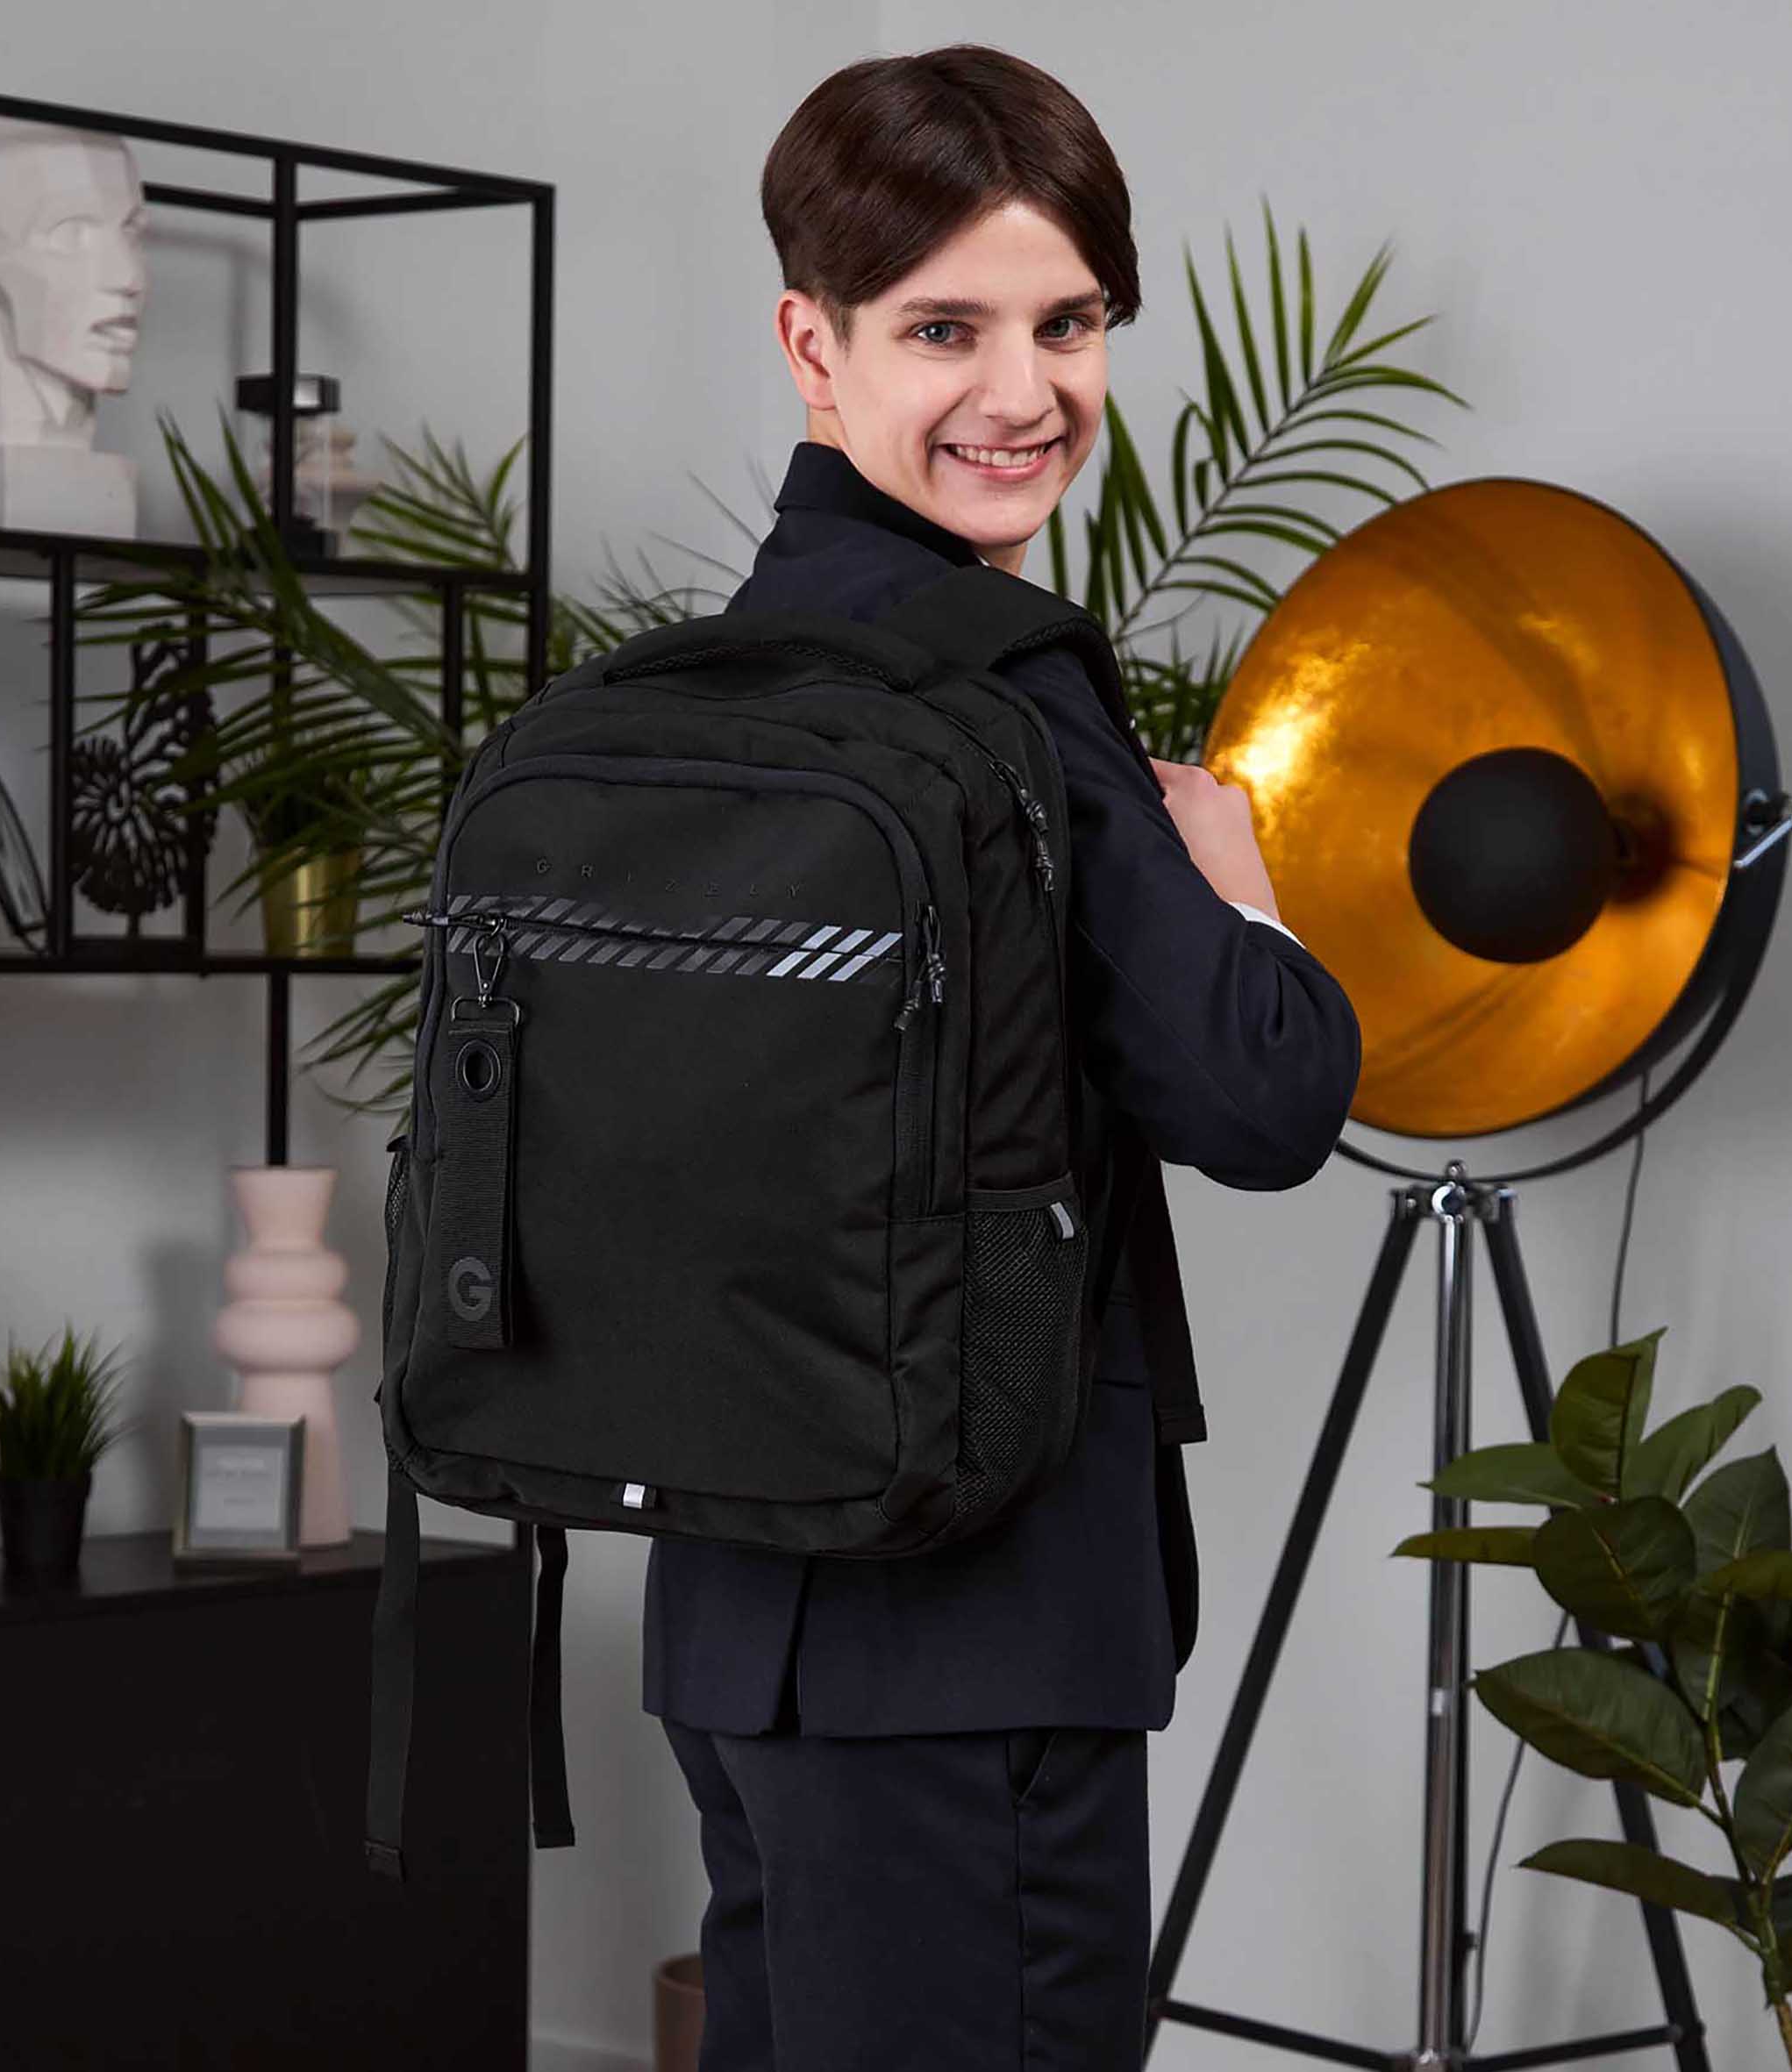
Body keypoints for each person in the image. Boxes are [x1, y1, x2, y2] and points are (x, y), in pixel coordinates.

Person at [644, 45, 1363, 2069]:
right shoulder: (1000, 694)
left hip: (735, 1620)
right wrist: (1236, 885)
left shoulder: (711, 682)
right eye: (943, 328)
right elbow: (1261, 1094)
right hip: (977, 1634)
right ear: (813, 343)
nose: (1022, 391)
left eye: (1067, 323)